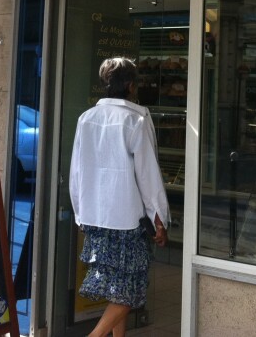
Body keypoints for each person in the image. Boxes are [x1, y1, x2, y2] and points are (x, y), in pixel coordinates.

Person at [69, 57, 170, 337]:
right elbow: (148, 175)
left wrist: (80, 212)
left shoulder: (86, 118)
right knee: (130, 290)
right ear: (131, 86)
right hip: (127, 219)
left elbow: (76, 171)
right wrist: (158, 218)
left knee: (117, 287)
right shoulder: (136, 119)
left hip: (95, 217)